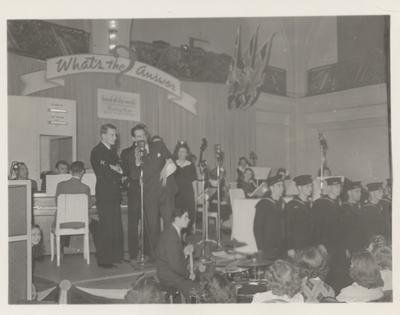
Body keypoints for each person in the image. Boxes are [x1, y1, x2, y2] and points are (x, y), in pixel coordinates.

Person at [124, 123, 177, 259]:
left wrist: (166, 168)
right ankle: (156, 255)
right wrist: (136, 161)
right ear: (133, 139)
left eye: (142, 135)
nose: (140, 138)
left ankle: (171, 252)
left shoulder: (158, 146)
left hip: (165, 192)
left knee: (168, 223)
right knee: (152, 226)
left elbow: (171, 161)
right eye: (137, 136)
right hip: (149, 194)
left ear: (146, 136)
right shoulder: (131, 155)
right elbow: (135, 177)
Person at [90, 124, 123, 268]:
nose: (115, 137)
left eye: (115, 135)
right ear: (103, 135)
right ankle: (104, 260)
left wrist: (115, 169)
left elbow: (120, 170)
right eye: (112, 135)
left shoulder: (112, 152)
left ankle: (114, 256)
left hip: (114, 192)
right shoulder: (97, 151)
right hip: (105, 192)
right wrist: (115, 170)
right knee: (106, 225)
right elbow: (104, 172)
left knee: (115, 225)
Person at [311, 176, 346, 293]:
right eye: (336, 186)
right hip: (327, 246)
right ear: (329, 187)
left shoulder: (338, 203)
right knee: (329, 274)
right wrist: (320, 244)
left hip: (339, 246)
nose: (339, 188)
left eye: (340, 186)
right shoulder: (320, 203)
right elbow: (315, 226)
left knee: (340, 274)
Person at [155, 208, 197, 300]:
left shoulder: (172, 231)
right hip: (169, 276)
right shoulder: (171, 235)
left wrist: (185, 252)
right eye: (185, 217)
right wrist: (188, 274)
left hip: (171, 272)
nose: (189, 220)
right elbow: (174, 265)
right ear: (177, 219)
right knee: (195, 292)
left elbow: (174, 256)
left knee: (197, 277)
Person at [54, 161, 93, 251]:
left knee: (65, 216)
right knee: (97, 225)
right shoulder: (85, 188)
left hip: (62, 222)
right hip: (80, 222)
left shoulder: (60, 185)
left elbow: (57, 203)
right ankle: (97, 251)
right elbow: (88, 206)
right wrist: (94, 200)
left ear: (70, 171)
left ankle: (62, 249)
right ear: (83, 171)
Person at [253, 175, 285, 260]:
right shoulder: (263, 204)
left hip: (282, 246)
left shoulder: (283, 203)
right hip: (268, 247)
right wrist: (260, 248)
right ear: (271, 187)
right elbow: (257, 228)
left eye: (282, 185)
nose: (282, 188)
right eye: (279, 185)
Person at [173, 141, 198, 236]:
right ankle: (179, 233)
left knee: (190, 214)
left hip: (188, 193)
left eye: (183, 152)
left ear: (187, 153)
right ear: (177, 153)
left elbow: (194, 181)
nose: (181, 154)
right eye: (180, 151)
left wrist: (196, 194)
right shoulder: (173, 164)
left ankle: (186, 233)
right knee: (178, 214)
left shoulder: (191, 165)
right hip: (177, 194)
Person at [285, 175, 313, 251]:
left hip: (310, 245)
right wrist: (290, 248)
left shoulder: (310, 204)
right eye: (307, 186)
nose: (310, 189)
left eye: (311, 186)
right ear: (299, 188)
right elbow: (288, 228)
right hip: (297, 245)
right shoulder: (292, 205)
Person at [341, 181, 365, 254]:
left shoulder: (359, 207)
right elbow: (344, 232)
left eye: (360, 191)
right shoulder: (344, 208)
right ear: (349, 193)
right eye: (356, 192)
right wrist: (346, 248)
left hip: (362, 245)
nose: (360, 194)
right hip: (352, 247)